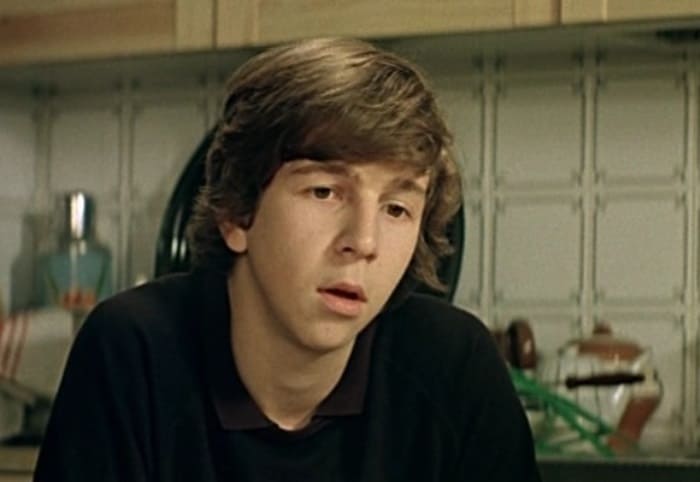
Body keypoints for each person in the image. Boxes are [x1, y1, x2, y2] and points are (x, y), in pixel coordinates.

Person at [34, 37, 540, 482]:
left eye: (396, 208)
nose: (364, 241)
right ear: (237, 213)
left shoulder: (455, 369)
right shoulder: (132, 354)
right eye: (324, 191)